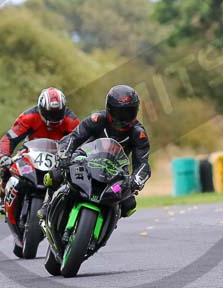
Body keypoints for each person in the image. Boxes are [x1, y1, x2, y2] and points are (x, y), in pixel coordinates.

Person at [44, 84, 151, 221]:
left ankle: (106, 224)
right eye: (119, 113)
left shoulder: (138, 133)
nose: (123, 118)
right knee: (55, 174)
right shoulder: (97, 119)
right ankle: (47, 205)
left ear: (135, 111)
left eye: (128, 113)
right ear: (109, 109)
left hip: (115, 174)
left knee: (129, 205)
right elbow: (73, 137)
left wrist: (136, 179)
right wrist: (65, 154)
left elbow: (143, 164)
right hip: (85, 161)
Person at [0, 87, 79, 213]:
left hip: (59, 155)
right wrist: (4, 155)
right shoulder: (28, 117)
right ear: (41, 109)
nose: (54, 118)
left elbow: (80, 141)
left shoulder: (71, 121)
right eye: (50, 113)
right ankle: (3, 198)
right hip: (31, 151)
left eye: (57, 113)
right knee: (7, 166)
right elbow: (8, 138)